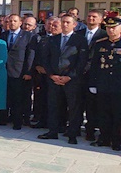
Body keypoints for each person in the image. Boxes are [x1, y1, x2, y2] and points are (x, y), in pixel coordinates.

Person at [37, 15, 88, 144]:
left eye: (68, 22)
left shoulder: (80, 40)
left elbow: (82, 62)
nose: (65, 24)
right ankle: (52, 131)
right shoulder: (53, 39)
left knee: (73, 107)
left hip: (71, 80)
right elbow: (46, 59)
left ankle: (72, 134)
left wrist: (69, 76)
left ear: (74, 25)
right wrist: (51, 75)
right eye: (63, 22)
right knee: (53, 106)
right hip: (54, 78)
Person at [86, 16, 121, 151]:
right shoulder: (100, 43)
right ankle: (104, 138)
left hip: (118, 86)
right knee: (103, 113)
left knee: (117, 114)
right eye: (108, 28)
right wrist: (92, 83)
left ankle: (117, 140)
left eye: (114, 28)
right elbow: (94, 65)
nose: (111, 30)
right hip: (103, 84)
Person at [0, 14, 36, 130]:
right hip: (4, 71)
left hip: (19, 72)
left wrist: (28, 72)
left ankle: (17, 121)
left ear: (20, 23)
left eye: (15, 21)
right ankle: (3, 119)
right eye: (10, 21)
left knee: (18, 98)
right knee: (5, 96)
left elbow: (30, 55)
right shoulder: (3, 35)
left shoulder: (28, 36)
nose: (12, 23)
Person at [79, 9, 107, 141]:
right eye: (89, 16)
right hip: (77, 74)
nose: (91, 19)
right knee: (77, 103)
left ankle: (91, 131)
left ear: (101, 20)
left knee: (92, 106)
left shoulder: (105, 35)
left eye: (94, 17)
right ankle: (74, 128)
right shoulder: (78, 34)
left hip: (94, 75)